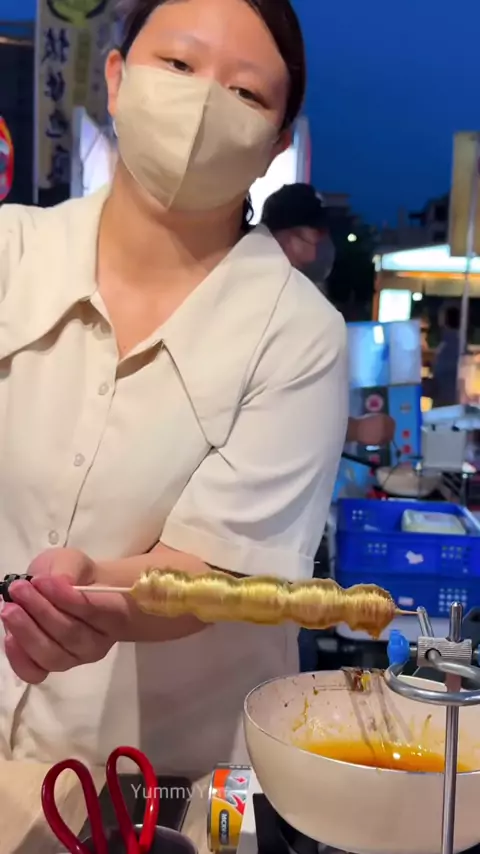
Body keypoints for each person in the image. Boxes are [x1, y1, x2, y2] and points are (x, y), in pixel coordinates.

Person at [0, 0, 348, 772]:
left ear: (277, 142)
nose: (202, 105)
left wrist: (95, 591)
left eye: (246, 92)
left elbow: (212, 569)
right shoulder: (10, 254)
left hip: (164, 789)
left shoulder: (299, 336)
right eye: (179, 65)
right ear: (116, 78)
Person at [262, 183, 395, 448]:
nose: (325, 247)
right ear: (287, 239)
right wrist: (357, 429)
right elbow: (279, 413)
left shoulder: (287, 296)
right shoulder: (274, 305)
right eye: (319, 235)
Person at [431, 304, 461, 408]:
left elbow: (440, 370)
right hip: (451, 400)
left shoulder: (448, 344)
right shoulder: (459, 343)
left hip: (445, 401)